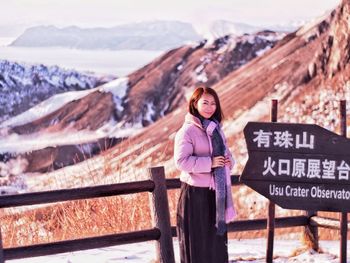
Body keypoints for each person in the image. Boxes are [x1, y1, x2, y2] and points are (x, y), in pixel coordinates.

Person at [174, 86, 236, 263]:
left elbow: (226, 153)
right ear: (195, 104)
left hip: (215, 194)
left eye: (213, 103)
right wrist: (210, 163)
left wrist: (228, 161)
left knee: (215, 244)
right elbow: (181, 162)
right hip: (195, 195)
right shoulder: (187, 131)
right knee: (198, 244)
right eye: (205, 103)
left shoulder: (216, 129)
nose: (210, 107)